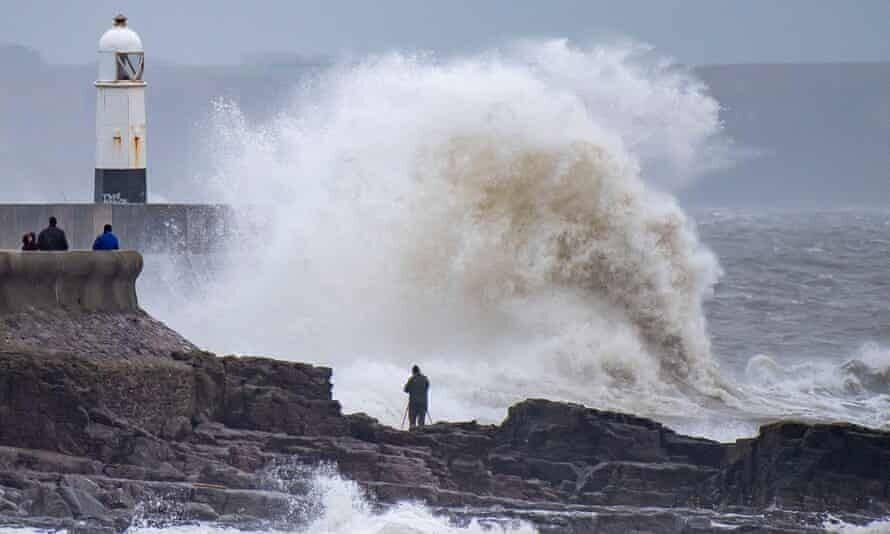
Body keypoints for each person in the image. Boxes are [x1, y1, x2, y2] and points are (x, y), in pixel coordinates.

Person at [403, 365, 430, 430]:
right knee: (421, 421)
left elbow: (405, 389)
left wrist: (412, 390)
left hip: (413, 402)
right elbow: (427, 387)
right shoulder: (425, 379)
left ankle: (412, 434)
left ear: (413, 371)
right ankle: (421, 434)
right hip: (423, 403)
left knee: (412, 421)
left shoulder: (412, 379)